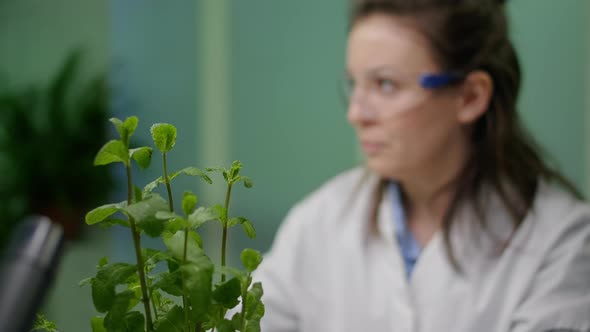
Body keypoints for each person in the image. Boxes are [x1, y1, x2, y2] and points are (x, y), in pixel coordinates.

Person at [253, 0, 590, 331]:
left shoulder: (562, 244)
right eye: (354, 84)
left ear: (470, 96)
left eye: (386, 84)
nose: (356, 114)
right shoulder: (320, 223)